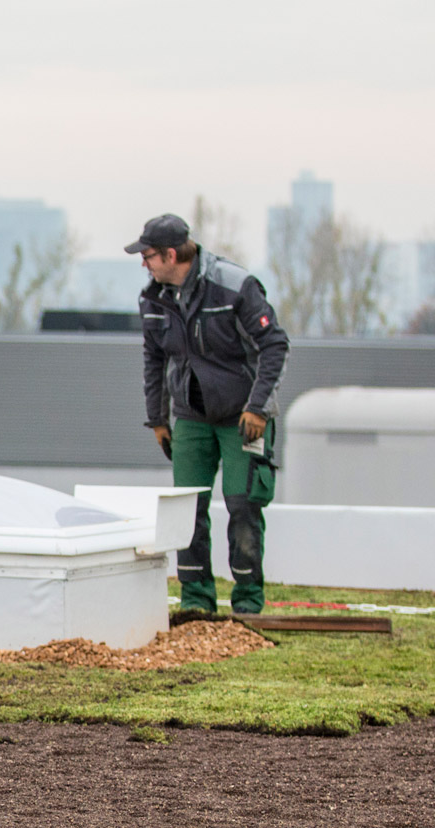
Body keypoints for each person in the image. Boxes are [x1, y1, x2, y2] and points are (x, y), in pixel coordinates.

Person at [129, 214, 289, 614]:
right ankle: (196, 602)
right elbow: (153, 359)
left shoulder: (235, 287)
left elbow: (274, 345)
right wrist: (158, 418)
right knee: (186, 509)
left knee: (243, 505)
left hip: (242, 419)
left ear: (170, 254)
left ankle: (248, 604)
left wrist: (258, 409)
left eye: (147, 256)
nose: (143, 264)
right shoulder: (154, 300)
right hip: (191, 417)